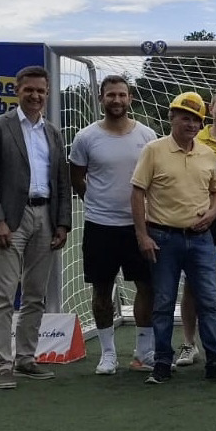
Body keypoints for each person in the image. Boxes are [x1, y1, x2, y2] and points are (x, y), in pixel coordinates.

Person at [0, 65, 72, 389]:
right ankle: (2, 366)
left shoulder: (53, 133)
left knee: (35, 295)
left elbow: (61, 181)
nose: (35, 96)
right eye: (29, 89)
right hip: (10, 220)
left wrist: (62, 223)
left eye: (41, 91)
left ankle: (26, 358)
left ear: (47, 94)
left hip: (45, 219)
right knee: (3, 296)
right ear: (17, 90)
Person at [131, 91, 216, 384]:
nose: (190, 124)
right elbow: (137, 192)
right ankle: (162, 362)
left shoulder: (206, 152)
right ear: (172, 118)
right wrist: (142, 235)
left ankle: (215, 361)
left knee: (209, 303)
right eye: (185, 118)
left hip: (202, 240)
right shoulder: (153, 150)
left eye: (196, 120)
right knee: (163, 302)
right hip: (163, 237)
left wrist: (213, 213)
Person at [69, 74, 158, 375]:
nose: (116, 100)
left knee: (147, 287)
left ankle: (143, 352)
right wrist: (96, 201)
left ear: (130, 98)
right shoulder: (85, 137)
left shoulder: (148, 136)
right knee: (102, 290)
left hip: (139, 226)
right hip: (100, 226)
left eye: (121, 95)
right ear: (101, 98)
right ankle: (107, 354)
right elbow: (77, 177)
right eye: (110, 95)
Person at [176, 89, 216, 368]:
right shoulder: (195, 138)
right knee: (192, 283)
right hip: (200, 218)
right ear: (210, 109)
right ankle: (189, 344)